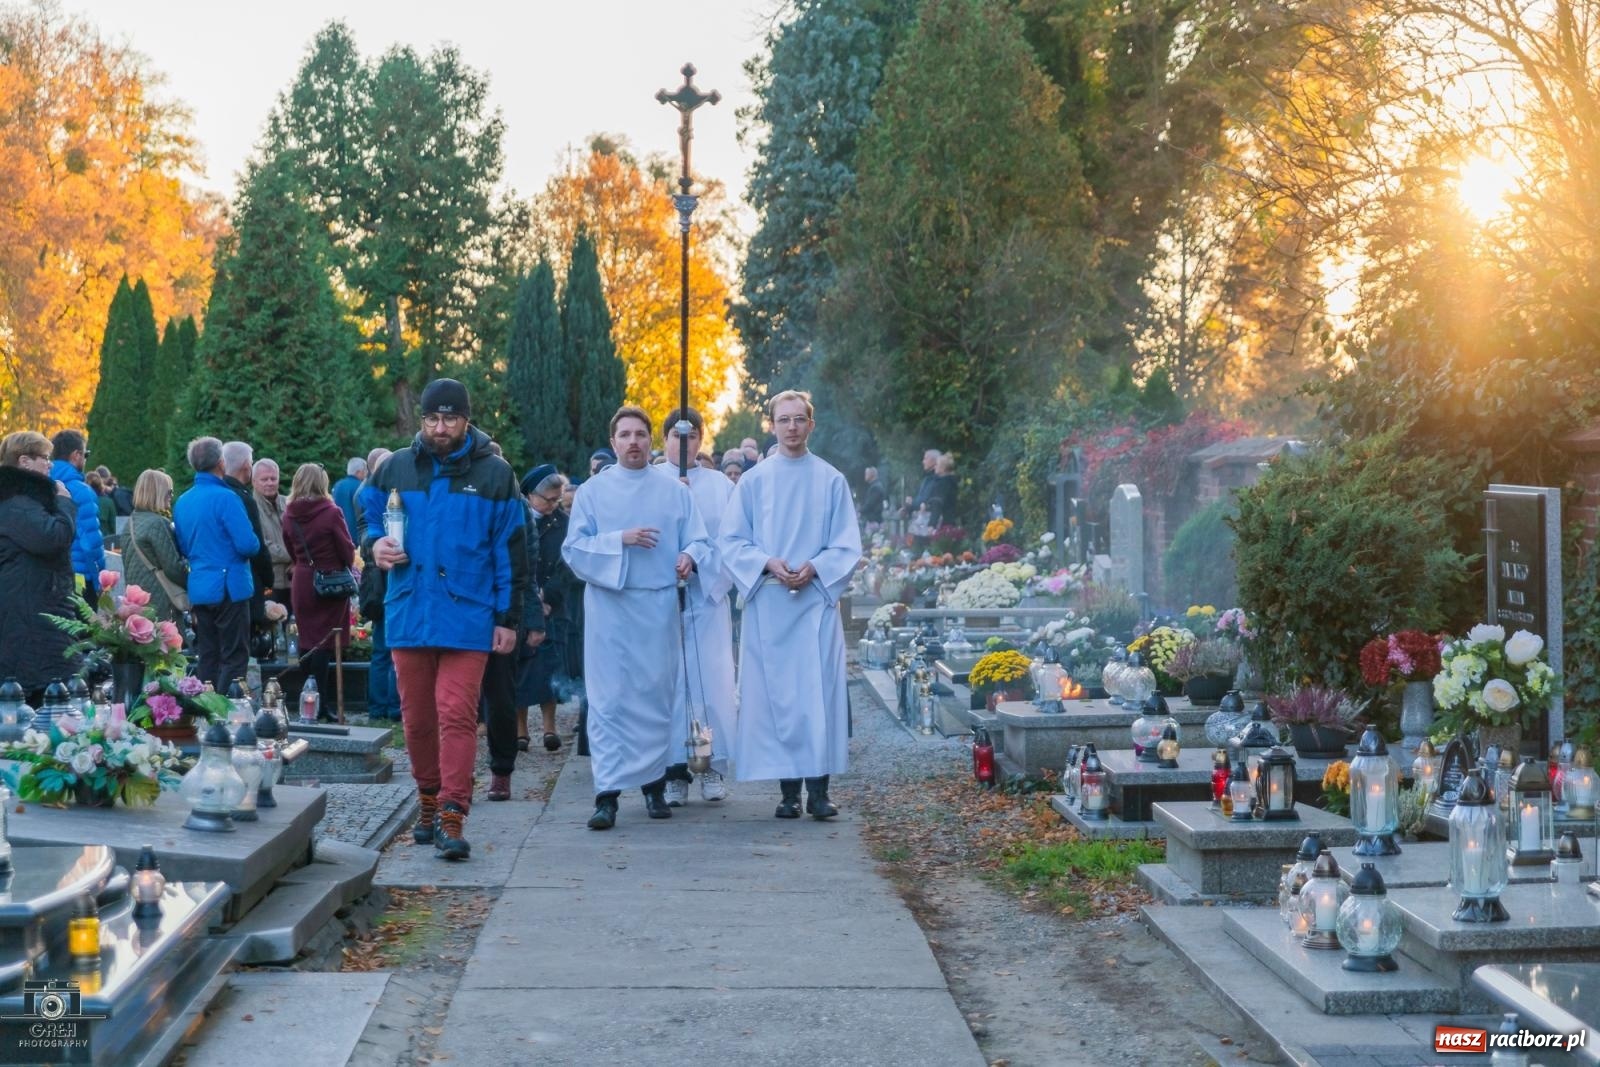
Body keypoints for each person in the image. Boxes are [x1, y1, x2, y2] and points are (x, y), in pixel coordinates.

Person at [362, 379, 527, 861]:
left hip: (468, 614)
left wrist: (508, 618)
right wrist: (374, 544)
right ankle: (428, 801)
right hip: (410, 609)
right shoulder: (395, 467)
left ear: (467, 419)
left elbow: (510, 554)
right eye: (432, 419)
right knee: (415, 720)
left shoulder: (496, 475)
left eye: (450, 419)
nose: (440, 428)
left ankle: (454, 812)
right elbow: (368, 515)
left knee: (456, 715)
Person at [562, 405, 708, 830]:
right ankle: (606, 795)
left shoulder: (674, 491)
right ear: (613, 442)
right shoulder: (593, 491)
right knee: (609, 701)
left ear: (651, 440)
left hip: (658, 605)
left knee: (654, 697)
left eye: (640, 434)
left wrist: (688, 556)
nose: (633, 442)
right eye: (624, 435)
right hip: (610, 606)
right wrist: (619, 540)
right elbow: (574, 550)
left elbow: (700, 539)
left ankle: (654, 786)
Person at [719, 390, 861, 820]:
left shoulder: (830, 479)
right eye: (784, 420)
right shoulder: (755, 480)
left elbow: (847, 543)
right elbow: (731, 540)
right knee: (778, 699)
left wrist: (816, 567)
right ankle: (787, 793)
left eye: (800, 419)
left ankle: (819, 791)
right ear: (772, 425)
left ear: (811, 425)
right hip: (771, 603)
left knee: (817, 697)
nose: (792, 427)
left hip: (814, 606)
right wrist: (767, 562)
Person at [654, 408, 736, 806]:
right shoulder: (650, 482)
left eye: (691, 436)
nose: (683, 444)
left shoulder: (720, 485)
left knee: (712, 685)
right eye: (675, 436)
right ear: (664, 438)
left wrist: (699, 563)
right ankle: (673, 772)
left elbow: (732, 540)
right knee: (670, 687)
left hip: (705, 600)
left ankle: (712, 764)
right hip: (662, 601)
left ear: (702, 440)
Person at [174, 436, 260, 690]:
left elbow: (183, 546)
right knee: (234, 655)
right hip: (229, 585)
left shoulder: (183, 501)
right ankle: (226, 713)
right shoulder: (227, 498)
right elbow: (248, 545)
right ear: (221, 462)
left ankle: (206, 710)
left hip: (200, 585)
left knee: (208, 655)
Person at [0, 431, 80, 700]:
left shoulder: (23, 499)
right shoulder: (17, 503)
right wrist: (66, 503)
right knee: (42, 694)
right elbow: (52, 538)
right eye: (44, 458)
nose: (50, 464)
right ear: (24, 461)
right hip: (31, 613)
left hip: (36, 607)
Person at [282, 463, 356, 721]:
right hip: (330, 581)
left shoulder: (289, 513)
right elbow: (347, 550)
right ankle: (322, 704)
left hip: (303, 579)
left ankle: (307, 700)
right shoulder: (331, 512)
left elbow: (290, 547)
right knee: (326, 644)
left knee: (307, 642)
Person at [519, 464, 575, 752]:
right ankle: (521, 729)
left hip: (553, 606)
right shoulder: (516, 519)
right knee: (521, 669)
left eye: (557, 499)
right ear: (530, 495)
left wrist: (547, 595)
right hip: (522, 604)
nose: (553, 505)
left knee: (549, 669)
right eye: (548, 499)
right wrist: (530, 596)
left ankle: (550, 727)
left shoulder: (564, 523)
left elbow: (569, 565)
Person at [359, 447, 400, 722]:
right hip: (379, 579)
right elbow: (364, 538)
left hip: (388, 577)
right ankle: (384, 707)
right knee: (384, 648)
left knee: (388, 647)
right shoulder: (368, 496)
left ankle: (389, 707)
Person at [124, 469, 189, 624]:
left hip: (136, 597)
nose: (171, 496)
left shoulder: (131, 522)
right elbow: (173, 567)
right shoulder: (157, 523)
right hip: (159, 596)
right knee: (167, 642)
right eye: (169, 491)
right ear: (158, 493)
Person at [49, 430, 103, 594]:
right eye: (85, 454)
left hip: (50, 576)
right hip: (80, 576)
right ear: (76, 455)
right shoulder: (82, 491)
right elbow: (90, 540)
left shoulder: (42, 485)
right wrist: (99, 580)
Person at [253, 459, 292, 605]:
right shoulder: (251, 507)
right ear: (254, 481)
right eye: (264, 479)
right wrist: (296, 556)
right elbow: (262, 546)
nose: (270, 483)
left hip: (294, 581)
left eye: (273, 478)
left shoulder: (289, 504)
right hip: (269, 583)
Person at [332, 457, 367, 543]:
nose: (366, 473)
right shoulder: (361, 486)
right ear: (359, 472)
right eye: (365, 471)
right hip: (356, 536)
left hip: (338, 534)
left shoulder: (337, 486)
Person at [860, 466, 887, 532]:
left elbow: (869, 504)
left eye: (866, 474)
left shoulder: (875, 487)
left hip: (874, 522)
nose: (865, 476)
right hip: (874, 521)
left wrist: (859, 511)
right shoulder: (875, 486)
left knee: (871, 541)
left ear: (872, 475)